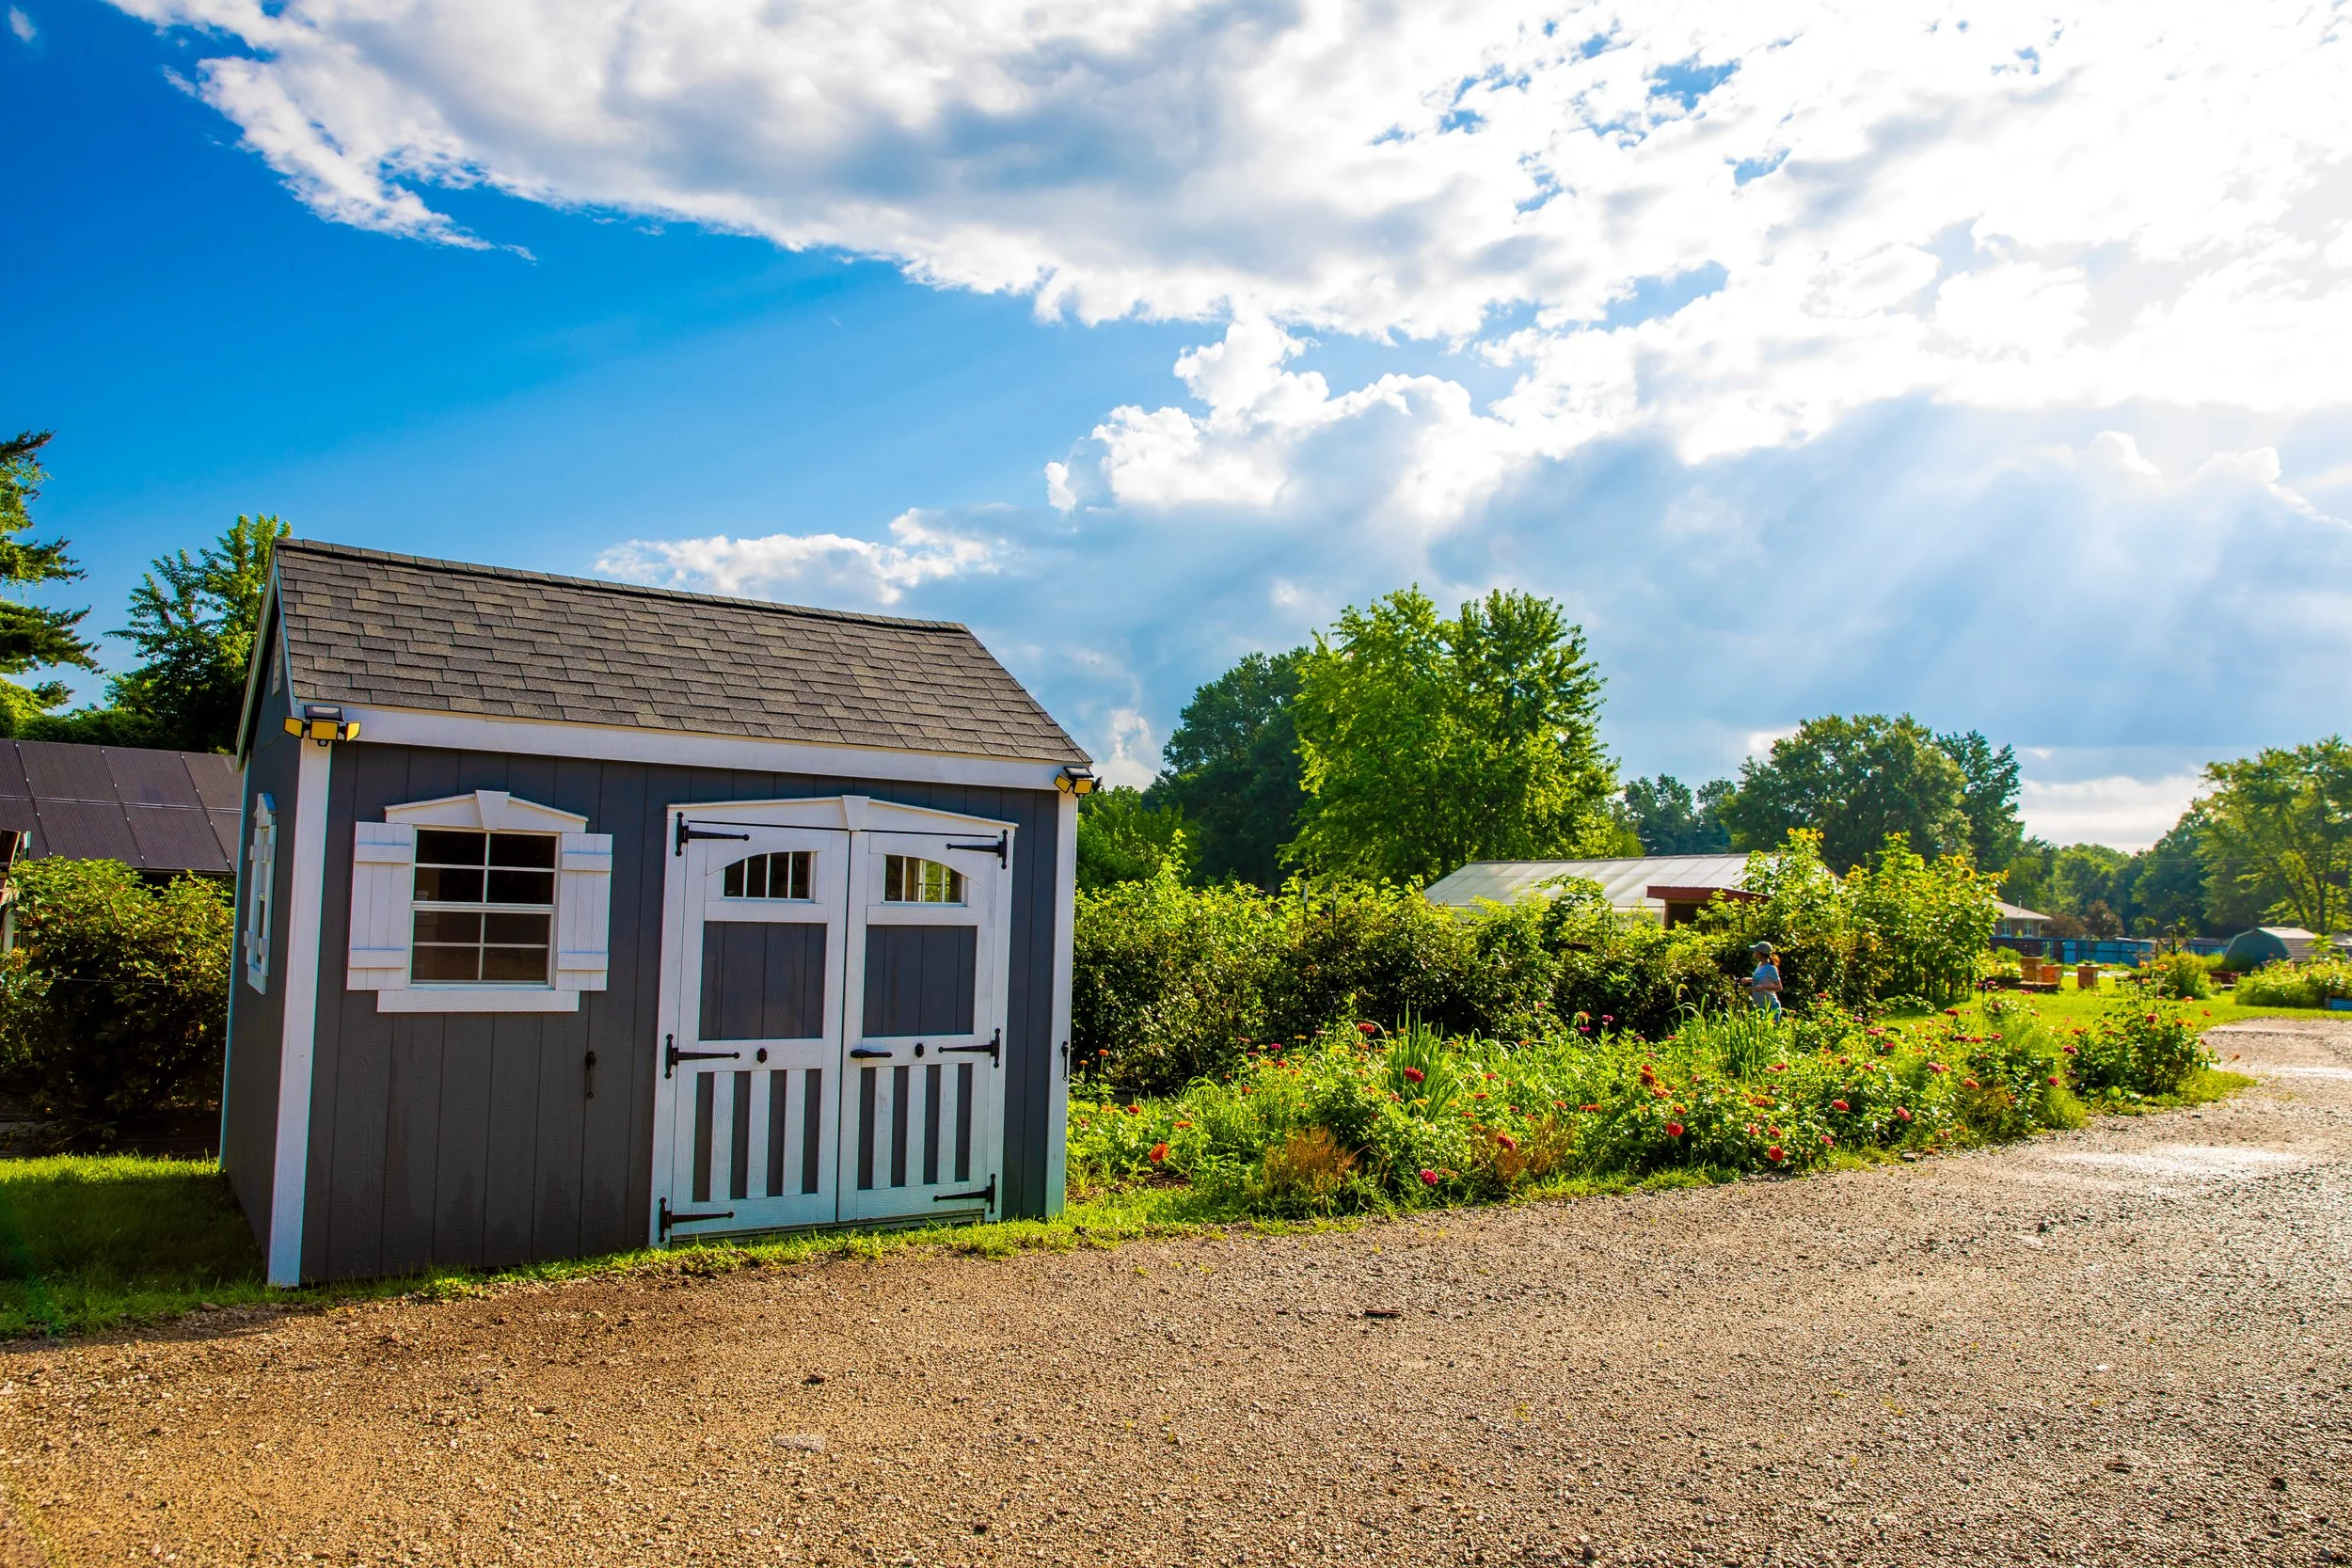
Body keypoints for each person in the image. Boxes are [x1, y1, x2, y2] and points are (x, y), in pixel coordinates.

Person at [1744, 941, 1784, 1014]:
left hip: (1770, 1008)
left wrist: (1763, 987)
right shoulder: (1760, 965)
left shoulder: (1771, 968)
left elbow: (1779, 987)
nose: (1754, 953)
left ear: (1760, 953)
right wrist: (1749, 980)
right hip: (1758, 1007)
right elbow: (1760, 980)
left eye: (1755, 951)